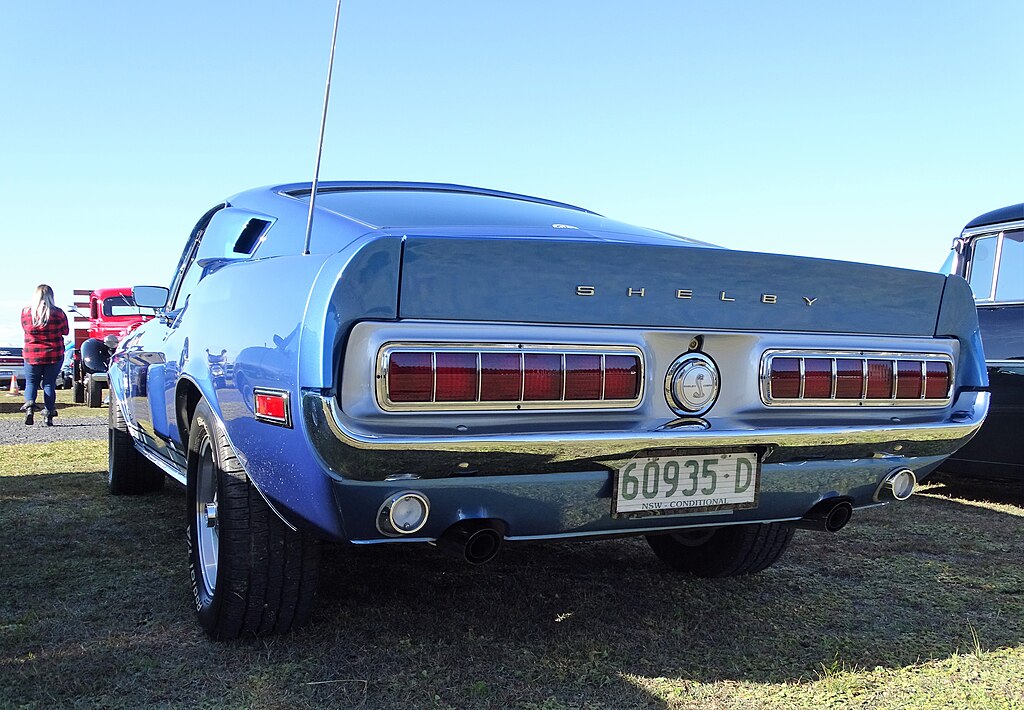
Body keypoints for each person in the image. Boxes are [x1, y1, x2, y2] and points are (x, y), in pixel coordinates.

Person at [21, 284, 69, 426]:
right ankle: (48, 414)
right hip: (54, 353)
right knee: (49, 384)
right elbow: (65, 331)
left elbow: (25, 328)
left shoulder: (26, 312)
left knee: (31, 383)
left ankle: (29, 408)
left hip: (32, 353)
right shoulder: (58, 313)